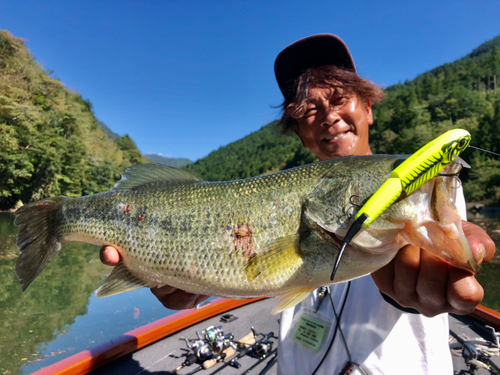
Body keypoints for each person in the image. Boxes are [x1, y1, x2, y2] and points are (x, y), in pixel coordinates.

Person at [100, 34, 496, 374]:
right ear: (298, 132)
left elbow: (446, 258)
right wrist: (189, 286)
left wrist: (420, 290)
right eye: (309, 110)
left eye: (341, 98)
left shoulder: (423, 183)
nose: (329, 116)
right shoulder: (282, 199)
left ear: (368, 109)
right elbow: (241, 268)